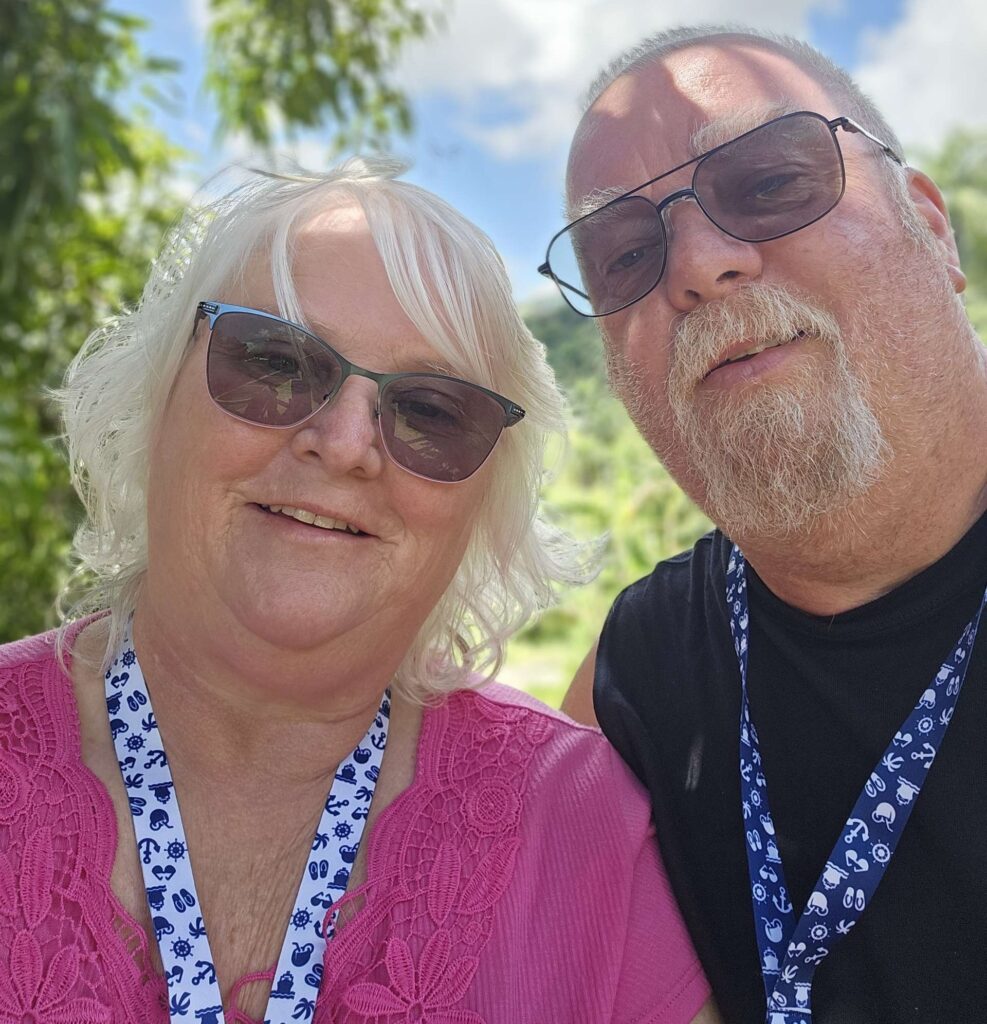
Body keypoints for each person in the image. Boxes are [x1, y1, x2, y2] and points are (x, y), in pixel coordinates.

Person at [0, 159, 715, 1023]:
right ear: (154, 400)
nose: (343, 445)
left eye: (431, 413)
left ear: (482, 504)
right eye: (272, 361)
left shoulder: (588, 830)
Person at [543, 24, 987, 1024]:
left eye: (771, 183)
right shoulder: (634, 685)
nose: (697, 265)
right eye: (624, 254)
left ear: (932, 226)